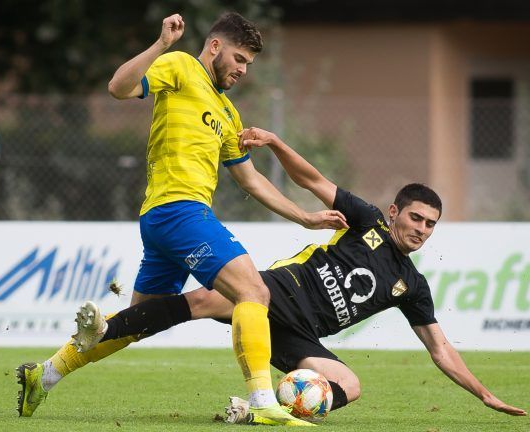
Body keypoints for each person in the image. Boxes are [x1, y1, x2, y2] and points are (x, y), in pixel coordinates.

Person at [15, 13, 345, 427]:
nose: (243, 70)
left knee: (137, 324)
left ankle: (44, 375)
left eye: (248, 64)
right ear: (215, 47)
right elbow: (118, 88)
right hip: (179, 211)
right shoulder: (181, 65)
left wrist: (305, 217)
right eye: (239, 59)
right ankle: (262, 401)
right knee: (253, 291)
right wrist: (160, 45)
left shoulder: (227, 113)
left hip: (166, 220)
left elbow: (251, 180)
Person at [68, 127, 527, 422]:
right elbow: (311, 180)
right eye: (416, 218)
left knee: (350, 385)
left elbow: (440, 349)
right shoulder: (366, 220)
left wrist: (484, 394)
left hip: (301, 335)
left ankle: (256, 410)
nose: (422, 229)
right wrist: (275, 143)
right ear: (394, 213)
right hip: (276, 292)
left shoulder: (412, 286)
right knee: (202, 301)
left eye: (430, 224)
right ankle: (106, 328)